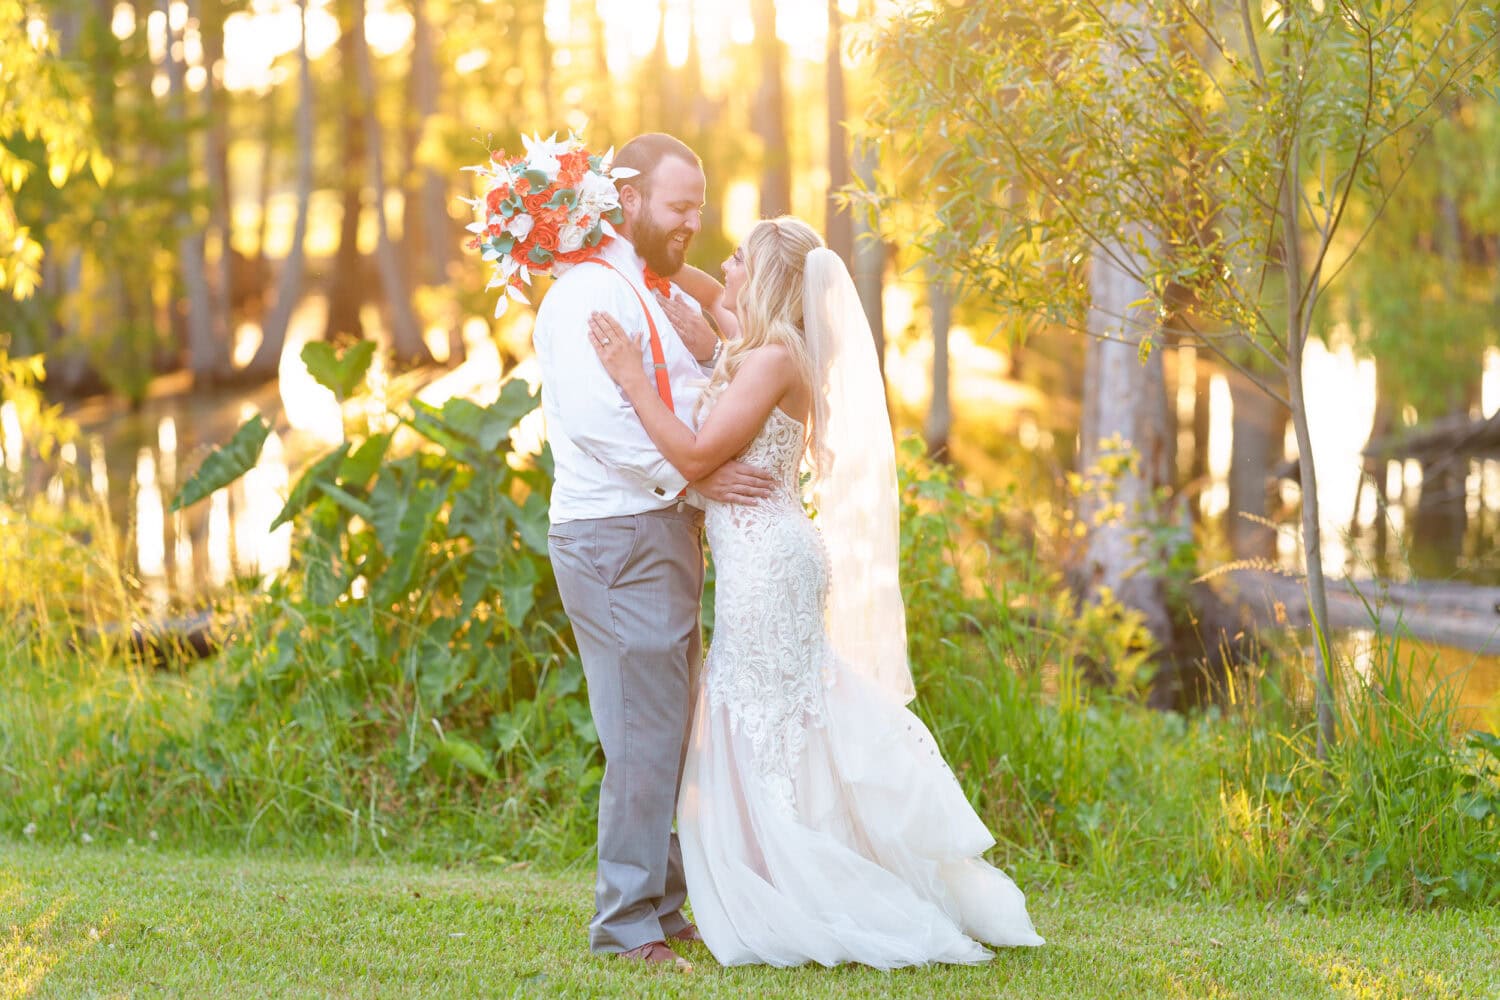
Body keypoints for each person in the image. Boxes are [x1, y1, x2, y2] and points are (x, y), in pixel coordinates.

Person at [587, 215, 1045, 968]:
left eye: (736, 258)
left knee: (765, 718)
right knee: (779, 715)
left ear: (764, 276)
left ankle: (796, 883)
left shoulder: (771, 357)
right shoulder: (765, 344)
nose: (722, 267)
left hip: (767, 560)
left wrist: (634, 380)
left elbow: (699, 448)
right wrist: (627, 247)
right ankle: (787, 865)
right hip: (764, 550)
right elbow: (707, 296)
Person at [531, 132, 775, 970]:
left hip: (660, 531)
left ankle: (665, 906)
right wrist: (701, 483)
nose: (692, 223)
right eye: (679, 206)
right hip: (616, 535)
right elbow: (603, 430)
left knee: (665, 729)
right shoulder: (581, 299)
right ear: (627, 198)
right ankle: (624, 923)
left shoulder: (645, 287)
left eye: (700, 208)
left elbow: (695, 391)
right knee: (640, 730)